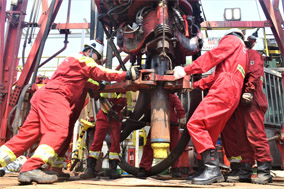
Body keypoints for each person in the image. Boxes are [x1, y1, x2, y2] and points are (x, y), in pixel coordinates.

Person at [0, 39, 139, 184]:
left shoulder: (72, 64)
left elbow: (89, 82)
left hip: (44, 95)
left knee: (26, 135)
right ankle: (31, 167)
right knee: (58, 131)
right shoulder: (83, 59)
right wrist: (126, 74)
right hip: (56, 96)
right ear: (90, 51)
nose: (98, 62)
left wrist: (101, 87)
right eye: (97, 57)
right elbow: (100, 72)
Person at [173, 28, 248, 185]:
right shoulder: (241, 53)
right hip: (232, 92)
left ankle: (212, 169)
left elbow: (212, 57)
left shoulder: (232, 41)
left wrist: (185, 70)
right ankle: (205, 170)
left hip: (224, 88)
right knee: (209, 132)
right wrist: (194, 85)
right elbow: (215, 76)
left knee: (195, 124)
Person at [221, 35, 273, 184]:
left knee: (255, 135)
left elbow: (255, 73)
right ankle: (245, 170)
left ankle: (264, 171)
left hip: (252, 100)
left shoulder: (252, 54)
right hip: (240, 102)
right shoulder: (236, 57)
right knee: (242, 138)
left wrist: (249, 91)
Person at [80, 90, 133, 179]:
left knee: (115, 144)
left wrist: (126, 112)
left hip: (116, 118)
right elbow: (102, 99)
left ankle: (113, 170)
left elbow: (130, 108)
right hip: (103, 116)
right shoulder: (109, 88)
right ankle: (90, 169)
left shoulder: (128, 93)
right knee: (97, 142)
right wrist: (110, 111)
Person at [136, 93, 186, 178]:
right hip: (157, 124)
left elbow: (178, 106)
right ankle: (144, 168)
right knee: (149, 146)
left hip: (172, 125)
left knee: (175, 148)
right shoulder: (151, 97)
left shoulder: (171, 95)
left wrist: (182, 117)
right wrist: (146, 117)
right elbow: (145, 109)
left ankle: (175, 169)